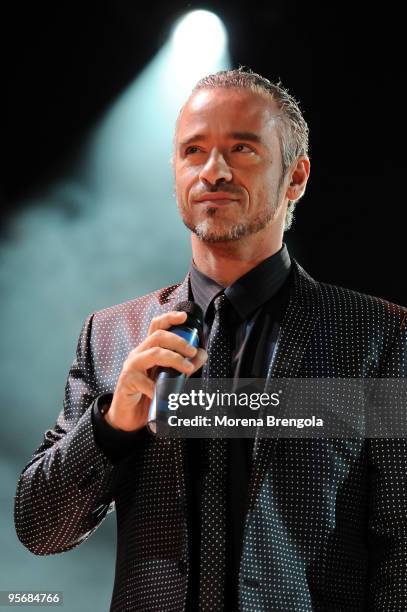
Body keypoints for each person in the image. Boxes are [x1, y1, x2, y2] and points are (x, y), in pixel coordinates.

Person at [14, 68, 407, 612]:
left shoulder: (376, 335)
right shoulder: (110, 337)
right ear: (175, 172)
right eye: (193, 150)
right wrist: (111, 425)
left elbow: (400, 547)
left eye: (241, 149)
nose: (213, 171)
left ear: (295, 178)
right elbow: (39, 529)